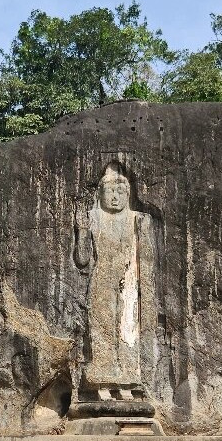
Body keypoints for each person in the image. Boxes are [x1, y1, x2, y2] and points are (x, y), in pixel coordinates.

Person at [74, 163, 153, 400]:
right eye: (110, 192)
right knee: (101, 330)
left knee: (128, 331)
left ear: (128, 194)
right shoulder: (93, 217)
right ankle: (102, 382)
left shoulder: (138, 219)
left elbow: (146, 260)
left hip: (129, 284)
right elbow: (82, 259)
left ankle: (128, 381)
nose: (116, 197)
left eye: (121, 192)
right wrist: (81, 230)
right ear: (100, 194)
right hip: (101, 281)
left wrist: (146, 297)